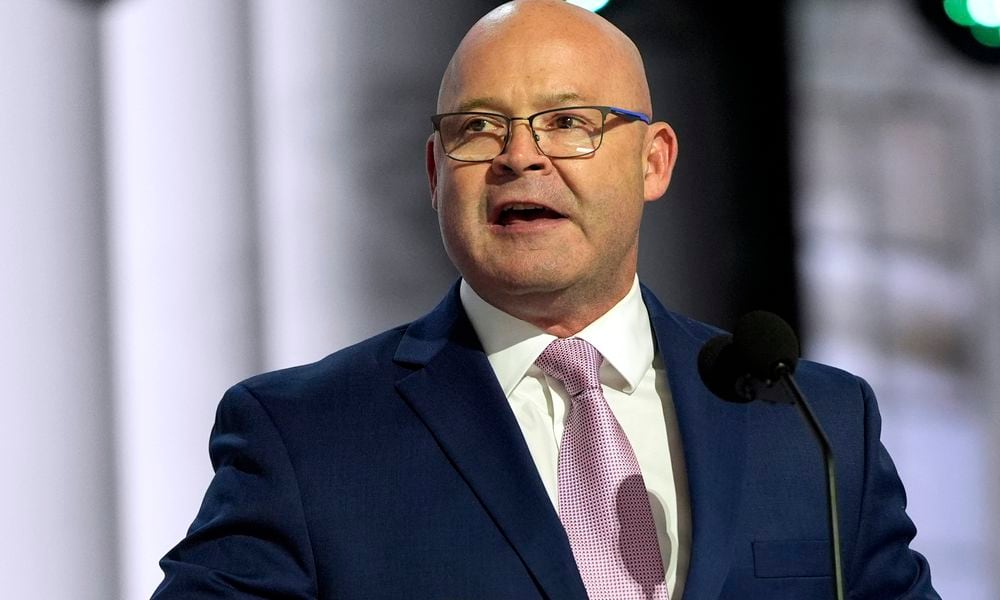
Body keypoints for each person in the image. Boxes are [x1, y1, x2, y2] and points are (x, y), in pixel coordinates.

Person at [152, 1, 939, 598]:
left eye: (568, 123)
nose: (519, 157)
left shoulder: (813, 424)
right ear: (436, 173)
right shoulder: (306, 436)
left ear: (654, 162)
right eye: (479, 128)